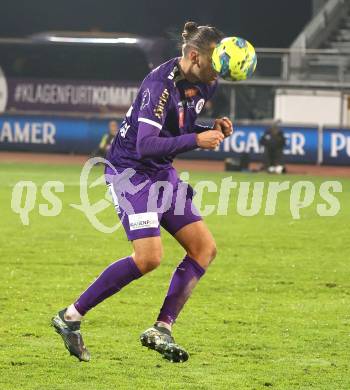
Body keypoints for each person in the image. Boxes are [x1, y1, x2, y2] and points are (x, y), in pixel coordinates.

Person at [51, 21, 233, 363]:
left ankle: (161, 328)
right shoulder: (158, 85)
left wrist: (211, 126)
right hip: (131, 173)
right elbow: (146, 144)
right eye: (213, 63)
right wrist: (196, 140)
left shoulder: (206, 82)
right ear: (194, 56)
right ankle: (70, 317)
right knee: (149, 258)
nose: (217, 72)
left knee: (204, 249)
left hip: (161, 172)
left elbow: (181, 123)